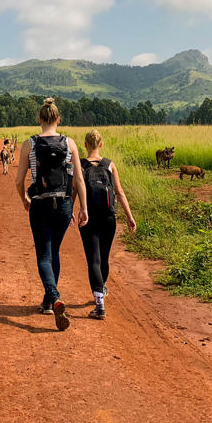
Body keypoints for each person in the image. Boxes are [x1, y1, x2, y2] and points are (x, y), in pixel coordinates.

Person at [15, 98, 88, 331]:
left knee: (44, 256)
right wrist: (83, 208)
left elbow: (18, 181)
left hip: (40, 204)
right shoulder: (70, 143)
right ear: (58, 119)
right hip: (64, 204)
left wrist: (24, 198)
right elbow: (78, 179)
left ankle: (54, 298)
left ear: (39, 119)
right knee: (55, 252)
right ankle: (48, 301)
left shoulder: (30, 144)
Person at [78, 129, 136, 320]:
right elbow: (119, 193)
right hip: (109, 217)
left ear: (86, 144)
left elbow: (73, 193)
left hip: (89, 218)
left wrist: (69, 213)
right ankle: (102, 289)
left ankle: (99, 303)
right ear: (101, 144)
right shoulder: (110, 165)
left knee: (92, 259)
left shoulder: (80, 166)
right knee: (104, 257)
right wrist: (129, 216)